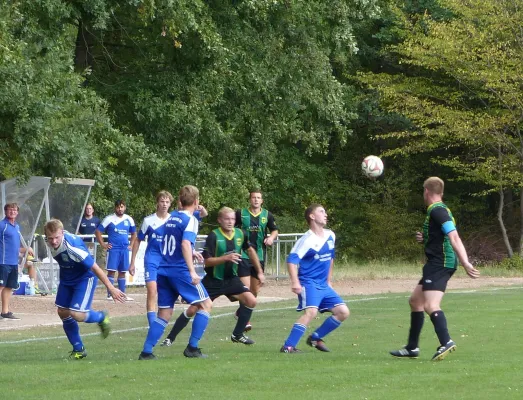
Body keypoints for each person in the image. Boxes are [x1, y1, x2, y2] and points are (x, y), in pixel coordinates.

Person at [390, 177, 480, 361]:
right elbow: (442, 235)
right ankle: (412, 347)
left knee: (431, 305)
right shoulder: (437, 210)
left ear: (426, 191)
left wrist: (465, 262)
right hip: (436, 262)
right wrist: (427, 238)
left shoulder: (438, 211)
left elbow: (454, 236)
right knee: (415, 301)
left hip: (440, 263)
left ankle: (446, 341)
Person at [161, 207, 263, 347]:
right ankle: (170, 338)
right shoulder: (214, 236)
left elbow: (250, 250)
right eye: (227, 219)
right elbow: (206, 262)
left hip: (231, 279)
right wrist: (225, 258)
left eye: (233, 219)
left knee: (251, 301)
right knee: (193, 309)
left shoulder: (241, 234)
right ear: (219, 220)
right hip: (213, 281)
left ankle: (237, 334)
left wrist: (260, 272)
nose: (230, 222)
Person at [138, 185, 213, 360]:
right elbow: (185, 243)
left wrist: (189, 250)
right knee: (206, 304)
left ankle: (146, 352)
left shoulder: (171, 218)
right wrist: (192, 271)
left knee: (164, 313)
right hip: (179, 270)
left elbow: (169, 241)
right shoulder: (191, 220)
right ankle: (192, 348)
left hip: (163, 270)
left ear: (179, 201)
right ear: (196, 202)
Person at [44, 219, 126, 359]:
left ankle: (101, 317)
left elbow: (95, 267)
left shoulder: (72, 248)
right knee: (63, 312)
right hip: (67, 279)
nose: (53, 241)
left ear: (62, 233)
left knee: (77, 314)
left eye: (56, 237)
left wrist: (111, 288)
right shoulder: (51, 240)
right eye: (50, 238)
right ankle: (79, 349)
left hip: (84, 278)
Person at [280, 204, 350, 353]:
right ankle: (288, 346)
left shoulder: (330, 235)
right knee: (311, 313)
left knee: (343, 312)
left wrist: (329, 280)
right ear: (312, 216)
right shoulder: (306, 240)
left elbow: (331, 258)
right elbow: (292, 260)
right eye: (321, 211)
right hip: (309, 282)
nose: (326, 214)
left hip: (323, 284)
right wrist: (295, 282)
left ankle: (315, 337)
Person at [235, 189, 278, 330]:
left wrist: (271, 238)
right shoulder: (241, 214)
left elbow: (274, 229)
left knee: (254, 290)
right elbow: (231, 228)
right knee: (245, 288)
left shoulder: (267, 215)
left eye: (258, 198)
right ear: (249, 199)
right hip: (243, 255)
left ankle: (241, 311)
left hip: (259, 256)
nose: (256, 200)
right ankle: (245, 321)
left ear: (262, 200)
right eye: (253, 197)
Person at [130, 191, 173, 327]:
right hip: (152, 260)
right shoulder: (148, 221)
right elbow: (138, 240)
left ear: (170, 204)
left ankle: (160, 321)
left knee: (165, 292)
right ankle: (152, 325)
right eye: (162, 201)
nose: (164, 204)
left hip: (167, 262)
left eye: (167, 202)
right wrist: (132, 262)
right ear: (157, 203)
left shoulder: (173, 221)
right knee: (152, 290)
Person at [95, 200, 137, 300]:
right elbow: (98, 231)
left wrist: (131, 244)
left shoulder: (129, 219)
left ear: (125, 207)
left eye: (122, 207)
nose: (120, 209)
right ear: (115, 208)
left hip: (124, 249)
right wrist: (103, 244)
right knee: (111, 272)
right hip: (113, 249)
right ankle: (110, 294)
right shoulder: (109, 219)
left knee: (123, 272)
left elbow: (134, 233)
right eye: (118, 207)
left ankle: (122, 294)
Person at [1, 203, 34, 320]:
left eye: (14, 210)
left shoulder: (17, 227)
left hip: (13, 263)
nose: (12, 212)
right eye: (10, 210)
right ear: (5, 211)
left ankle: (4, 312)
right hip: (2, 262)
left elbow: (15, 248)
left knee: (9, 287)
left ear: (17, 212)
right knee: (0, 286)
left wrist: (26, 249)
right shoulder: (2, 226)